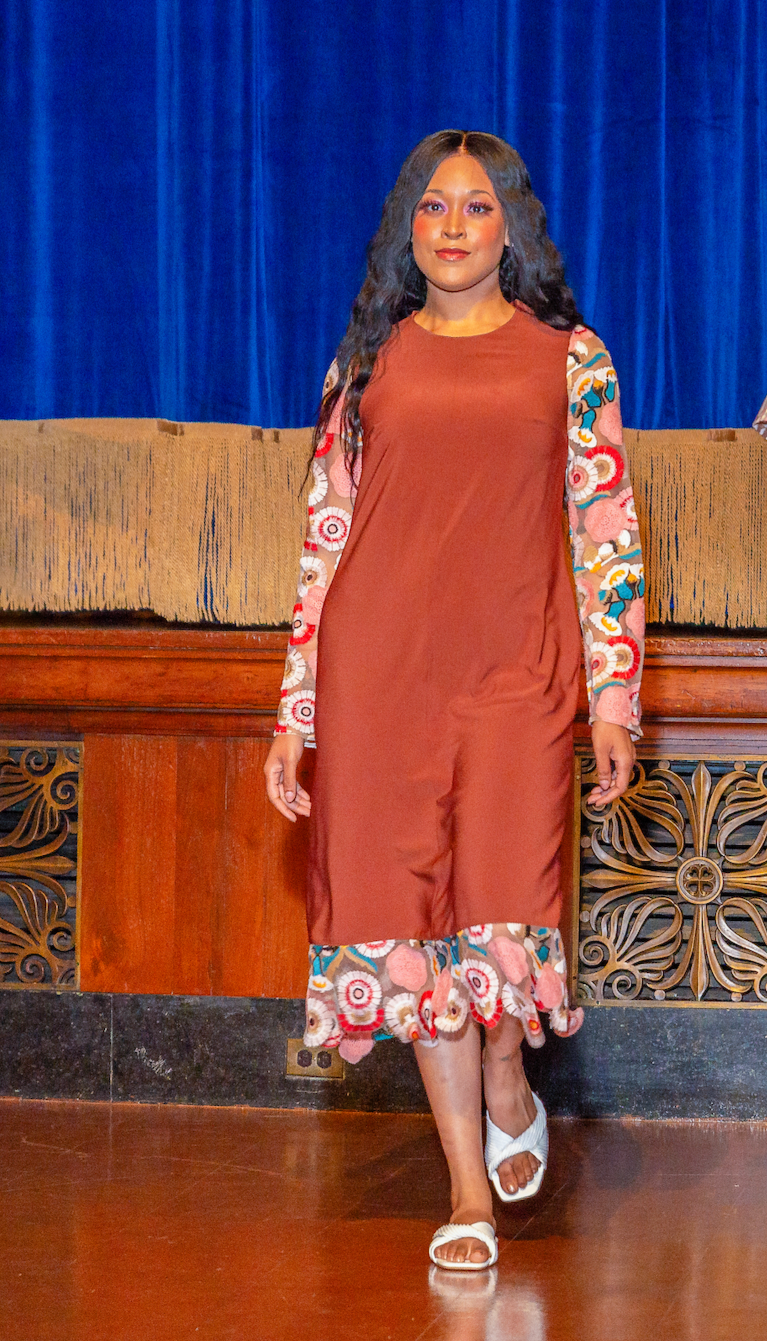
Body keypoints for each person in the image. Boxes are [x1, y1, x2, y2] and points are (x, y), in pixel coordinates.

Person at [264, 130, 644, 1270]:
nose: (451, 226)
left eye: (475, 208)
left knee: (499, 901)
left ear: (509, 228)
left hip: (517, 681)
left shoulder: (571, 361)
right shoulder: (365, 365)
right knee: (405, 927)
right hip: (378, 676)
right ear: (406, 230)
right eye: (431, 207)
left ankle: (502, 1067)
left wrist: (613, 696)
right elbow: (322, 543)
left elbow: (603, 534)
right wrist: (297, 712)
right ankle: (467, 1190)